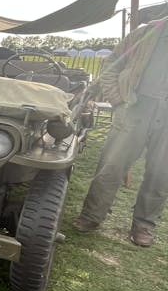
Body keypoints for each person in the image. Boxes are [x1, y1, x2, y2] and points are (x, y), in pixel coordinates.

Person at [72, 17, 168, 247]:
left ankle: (144, 225)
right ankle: (92, 216)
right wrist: (117, 100)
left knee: (160, 173)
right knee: (112, 165)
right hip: (135, 106)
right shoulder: (145, 33)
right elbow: (111, 64)